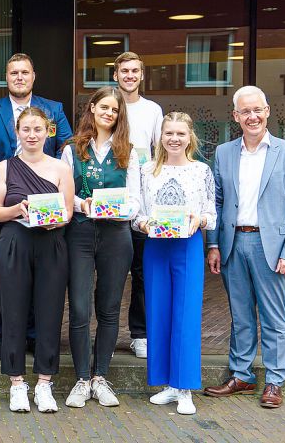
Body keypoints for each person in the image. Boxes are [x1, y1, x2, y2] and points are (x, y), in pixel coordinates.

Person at [204, 86, 285, 409]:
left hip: (273, 246)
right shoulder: (223, 153)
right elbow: (217, 201)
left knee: (274, 316)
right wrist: (213, 244)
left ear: (267, 112)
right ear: (235, 116)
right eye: (245, 111)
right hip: (233, 243)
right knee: (240, 314)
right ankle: (242, 375)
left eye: (257, 110)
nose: (252, 116)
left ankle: (275, 381)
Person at [0, 53, 72, 360]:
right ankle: (3, 335)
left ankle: (33, 336)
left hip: (47, 203)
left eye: (24, 72)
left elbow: (67, 147)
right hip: (5, 201)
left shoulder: (53, 110)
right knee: (3, 275)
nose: (19, 77)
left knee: (42, 275)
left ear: (33, 76)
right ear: (7, 77)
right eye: (14, 72)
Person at [0, 107, 73, 413]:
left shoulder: (61, 168)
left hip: (50, 243)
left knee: (50, 312)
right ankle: (16, 384)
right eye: (26, 129)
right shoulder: (4, 168)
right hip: (14, 242)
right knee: (13, 312)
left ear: (49, 132)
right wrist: (17, 210)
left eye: (38, 129)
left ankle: (45, 384)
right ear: (17, 132)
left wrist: (56, 221)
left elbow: (67, 212)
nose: (32, 135)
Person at [61, 86, 139, 409]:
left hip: (116, 235)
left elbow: (135, 202)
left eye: (115, 110)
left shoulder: (129, 152)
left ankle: (100, 377)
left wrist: (114, 208)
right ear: (92, 108)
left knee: (109, 309)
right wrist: (83, 204)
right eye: (104, 107)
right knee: (80, 308)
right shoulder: (71, 149)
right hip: (79, 232)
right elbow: (65, 195)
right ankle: (81, 378)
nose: (109, 113)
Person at [133, 112, 215, 415]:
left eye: (180, 133)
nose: (174, 139)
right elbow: (137, 213)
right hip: (156, 245)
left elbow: (212, 214)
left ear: (189, 137)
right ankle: (168, 384)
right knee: (158, 313)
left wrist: (200, 219)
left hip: (188, 245)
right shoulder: (146, 171)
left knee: (186, 314)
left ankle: (185, 388)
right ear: (161, 137)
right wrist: (144, 224)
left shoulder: (201, 171)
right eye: (169, 133)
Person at [113, 51, 164, 360]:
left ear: (141, 75)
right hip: (112, 205)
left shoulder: (153, 110)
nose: (129, 76)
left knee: (144, 273)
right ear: (115, 75)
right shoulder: (108, 106)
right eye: (124, 71)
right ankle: (104, 332)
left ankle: (140, 334)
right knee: (111, 274)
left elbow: (161, 153)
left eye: (134, 71)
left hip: (143, 206)